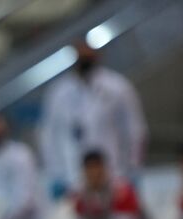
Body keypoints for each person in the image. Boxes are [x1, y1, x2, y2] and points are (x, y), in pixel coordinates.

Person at [40, 39, 148, 193]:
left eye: (88, 51)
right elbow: (49, 135)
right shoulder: (59, 92)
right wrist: (56, 173)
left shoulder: (118, 87)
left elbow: (134, 130)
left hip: (114, 174)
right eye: (80, 52)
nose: (84, 56)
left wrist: (132, 167)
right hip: (72, 178)